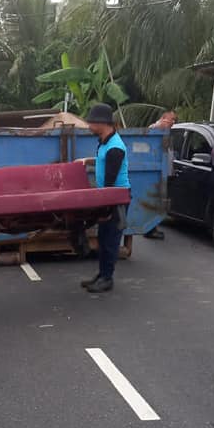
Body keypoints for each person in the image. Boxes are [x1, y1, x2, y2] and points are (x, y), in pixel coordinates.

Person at [82, 103, 130, 293]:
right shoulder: (104, 142)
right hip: (108, 197)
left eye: (91, 123)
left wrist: (105, 208)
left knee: (110, 241)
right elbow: (103, 161)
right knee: (103, 238)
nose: (89, 126)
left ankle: (107, 279)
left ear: (102, 123)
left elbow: (110, 181)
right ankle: (102, 274)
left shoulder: (115, 147)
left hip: (116, 200)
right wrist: (87, 161)